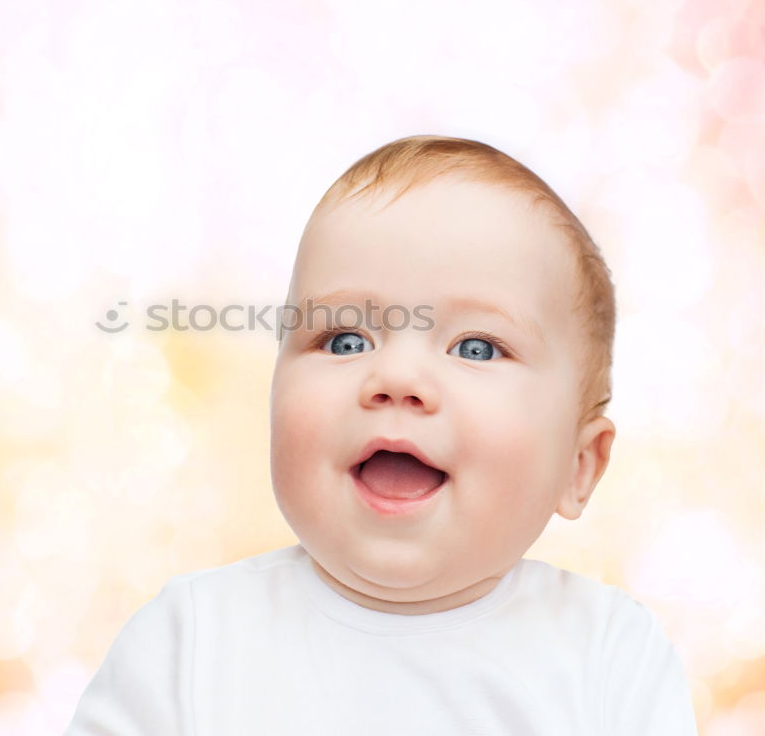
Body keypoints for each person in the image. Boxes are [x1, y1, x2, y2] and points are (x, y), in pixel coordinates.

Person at [63, 136, 699, 735]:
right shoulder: (189, 640)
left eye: (476, 348)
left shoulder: (611, 655)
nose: (396, 377)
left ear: (579, 465)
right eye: (344, 340)